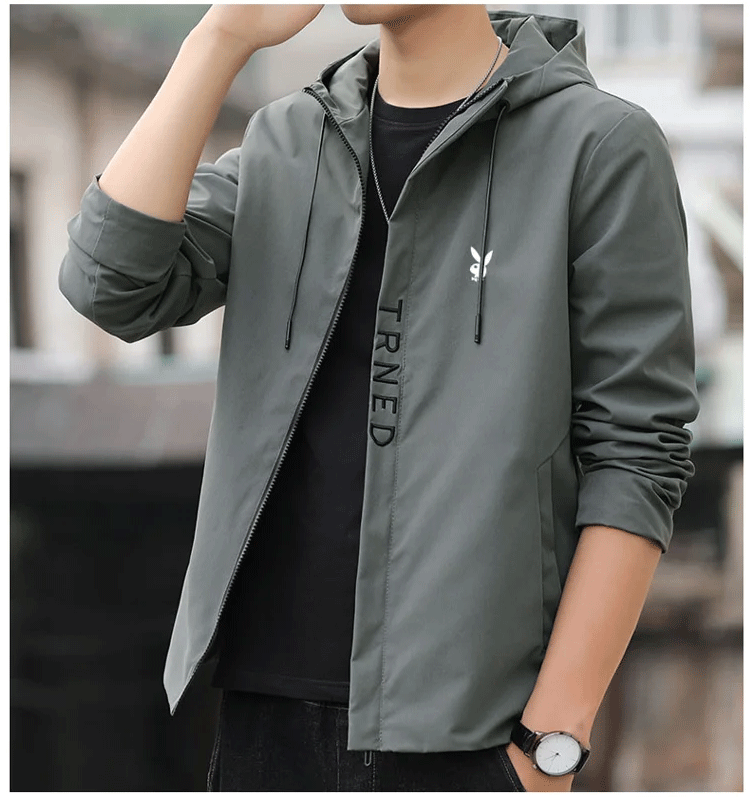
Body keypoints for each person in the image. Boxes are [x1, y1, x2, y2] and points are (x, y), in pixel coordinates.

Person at [58, 4, 700, 792]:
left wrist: (549, 742)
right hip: (265, 719)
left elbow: (638, 452)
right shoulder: (287, 140)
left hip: (474, 733)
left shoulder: (599, 146)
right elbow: (110, 284)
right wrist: (218, 39)